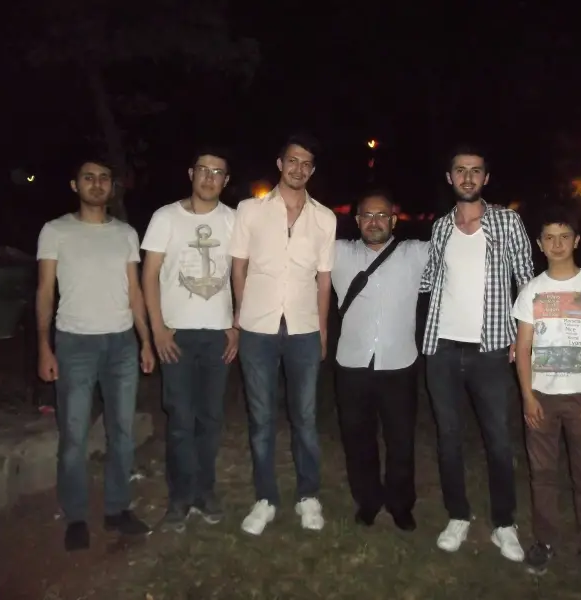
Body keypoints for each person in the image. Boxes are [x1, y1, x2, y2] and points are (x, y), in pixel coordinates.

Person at [421, 144, 534, 559]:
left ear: (486, 178)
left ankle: (504, 523)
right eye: (460, 170)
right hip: (442, 349)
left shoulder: (507, 221)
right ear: (449, 177)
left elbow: (526, 279)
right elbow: (428, 279)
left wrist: (523, 337)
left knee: (498, 439)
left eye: (475, 170)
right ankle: (458, 515)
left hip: (492, 350)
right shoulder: (440, 228)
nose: (467, 177)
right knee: (448, 437)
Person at [36, 158, 155, 551]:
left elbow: (135, 291)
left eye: (104, 178)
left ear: (112, 186)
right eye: (88, 177)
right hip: (75, 344)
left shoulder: (125, 233)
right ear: (75, 185)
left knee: (122, 432)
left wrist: (145, 340)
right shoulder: (55, 231)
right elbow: (45, 291)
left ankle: (118, 509)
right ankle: (76, 516)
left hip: (121, 343)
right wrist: (43, 345)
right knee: (74, 435)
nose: (97, 183)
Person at [231, 134, 337, 535]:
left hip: (303, 329)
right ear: (280, 164)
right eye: (293, 161)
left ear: (313, 170)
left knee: (305, 418)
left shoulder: (324, 218)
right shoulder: (250, 211)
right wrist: (241, 315)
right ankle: (266, 498)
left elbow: (323, 280)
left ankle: (308, 495)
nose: (299, 169)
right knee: (261, 418)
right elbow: (238, 267)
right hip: (257, 328)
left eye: (306, 163)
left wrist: (323, 331)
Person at [512, 207, 581, 584]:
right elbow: (524, 348)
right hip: (542, 395)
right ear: (540, 245)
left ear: (576, 241)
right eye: (549, 238)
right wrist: (528, 396)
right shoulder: (532, 291)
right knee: (542, 473)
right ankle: (545, 541)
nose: (557, 244)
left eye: (564, 236)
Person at [141, 148, 238, 533]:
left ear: (226, 181)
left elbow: (242, 275)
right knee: (180, 419)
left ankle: (205, 491)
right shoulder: (165, 217)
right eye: (203, 170)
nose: (210, 178)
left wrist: (237, 325)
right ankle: (180, 497)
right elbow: (149, 275)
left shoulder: (234, 220)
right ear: (190, 173)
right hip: (176, 335)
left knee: (210, 419)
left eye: (218, 172)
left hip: (218, 335)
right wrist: (158, 329)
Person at [332, 190, 429, 531]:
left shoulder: (414, 253)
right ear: (357, 220)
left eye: (382, 215)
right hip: (351, 363)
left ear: (394, 220)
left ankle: (401, 503)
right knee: (357, 438)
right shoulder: (338, 253)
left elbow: (458, 246)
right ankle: (368, 499)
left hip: (399, 364)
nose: (374, 222)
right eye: (367, 216)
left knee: (401, 440)